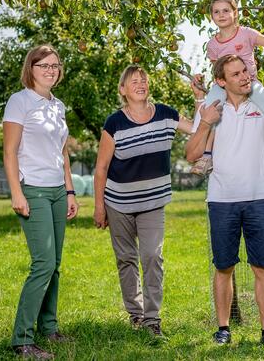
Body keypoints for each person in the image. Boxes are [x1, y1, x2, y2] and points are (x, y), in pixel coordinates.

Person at [93, 65, 207, 338]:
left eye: (143, 79)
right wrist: (99, 207)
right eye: (133, 81)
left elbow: (196, 129)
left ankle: (152, 319)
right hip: (118, 201)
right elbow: (101, 168)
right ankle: (136, 313)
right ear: (123, 90)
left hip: (153, 201)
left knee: (152, 256)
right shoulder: (114, 123)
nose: (140, 83)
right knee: (126, 258)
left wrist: (199, 99)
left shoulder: (166, 114)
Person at [186, 54, 264, 351]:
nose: (245, 77)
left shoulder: (261, 98)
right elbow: (191, 154)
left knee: (263, 268)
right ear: (221, 81)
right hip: (222, 199)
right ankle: (222, 330)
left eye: (246, 71)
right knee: (224, 267)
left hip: (259, 197)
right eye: (236, 74)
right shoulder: (210, 107)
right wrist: (205, 123)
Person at [3, 44, 79, 359]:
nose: (50, 70)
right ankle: (22, 339)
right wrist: (16, 193)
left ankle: (49, 328)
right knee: (43, 264)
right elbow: (9, 152)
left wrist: (70, 190)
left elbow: (62, 152)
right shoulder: (19, 102)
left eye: (55, 65)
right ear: (31, 68)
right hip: (31, 189)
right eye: (44, 65)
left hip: (57, 191)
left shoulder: (58, 105)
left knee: (55, 266)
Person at [190, 0, 264, 176]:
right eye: (216, 12)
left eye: (226, 10)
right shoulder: (212, 44)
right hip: (223, 85)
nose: (221, 15)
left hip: (250, 83)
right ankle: (206, 156)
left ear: (235, 13)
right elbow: (216, 70)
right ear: (211, 16)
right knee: (211, 112)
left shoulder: (247, 34)